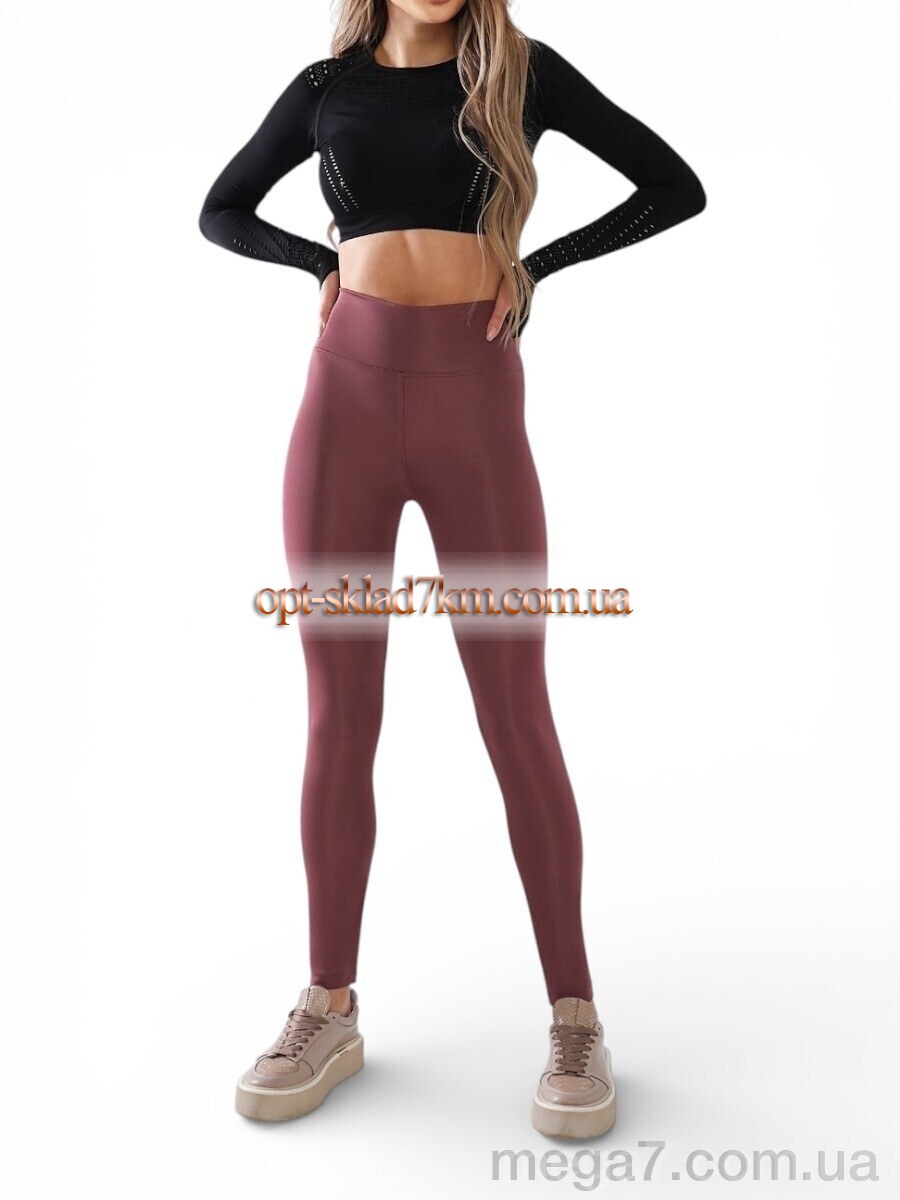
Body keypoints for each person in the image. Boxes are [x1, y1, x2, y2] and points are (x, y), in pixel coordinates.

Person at [198, 0, 705, 1137]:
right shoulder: (326, 90)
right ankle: (327, 1006)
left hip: (475, 406)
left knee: (516, 713)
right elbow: (221, 209)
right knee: (339, 715)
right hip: (344, 408)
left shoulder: (521, 74)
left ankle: (575, 1016)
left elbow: (673, 186)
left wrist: (540, 269)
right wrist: (315, 264)